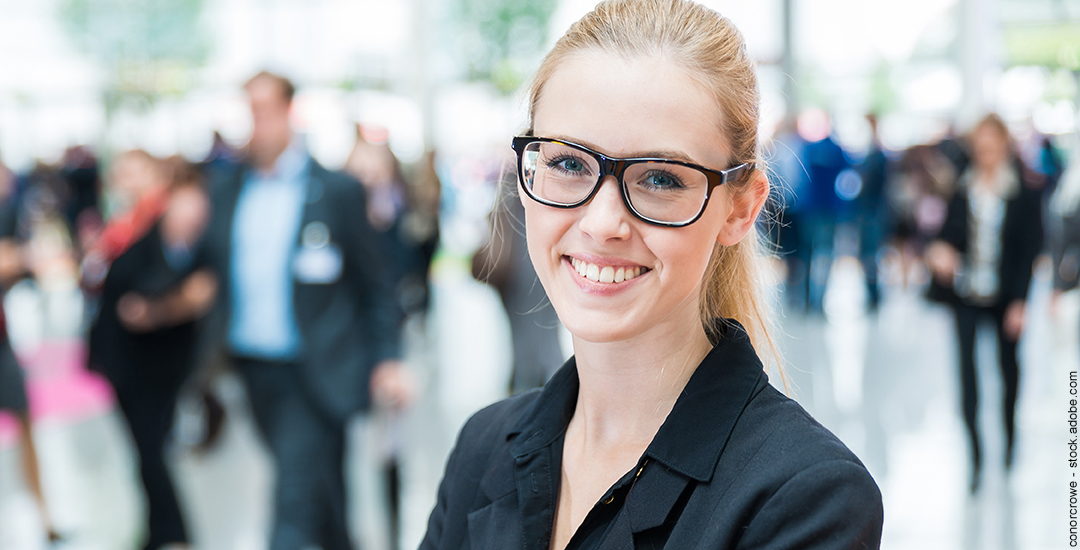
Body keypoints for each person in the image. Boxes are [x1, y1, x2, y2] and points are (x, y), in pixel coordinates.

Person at [420, 2, 883, 549]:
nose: (603, 223)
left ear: (739, 209)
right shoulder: (483, 447)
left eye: (661, 179)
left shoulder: (804, 499)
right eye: (568, 164)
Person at [199, 71, 411, 550]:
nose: (257, 123)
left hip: (320, 363)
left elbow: (376, 282)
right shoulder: (228, 189)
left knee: (292, 497)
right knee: (320, 486)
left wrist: (388, 357)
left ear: (291, 112)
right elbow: (209, 266)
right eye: (249, 111)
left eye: (266, 110)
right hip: (254, 366)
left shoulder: (334, 190)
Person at [87, 155, 217, 550]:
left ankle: (172, 536)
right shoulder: (129, 224)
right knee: (145, 454)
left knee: (153, 453)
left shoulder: (167, 229)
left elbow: (192, 291)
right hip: (125, 357)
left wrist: (155, 311)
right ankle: (160, 531)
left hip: (154, 361)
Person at [925, 114, 1043, 493]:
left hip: (1005, 297)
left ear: (1004, 146)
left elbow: (1028, 252)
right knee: (968, 375)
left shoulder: (1022, 193)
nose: (986, 153)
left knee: (1009, 371)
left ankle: (1009, 443)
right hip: (966, 296)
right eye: (981, 146)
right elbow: (945, 236)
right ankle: (975, 455)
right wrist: (940, 252)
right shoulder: (963, 188)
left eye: (993, 145)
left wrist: (1021, 303)